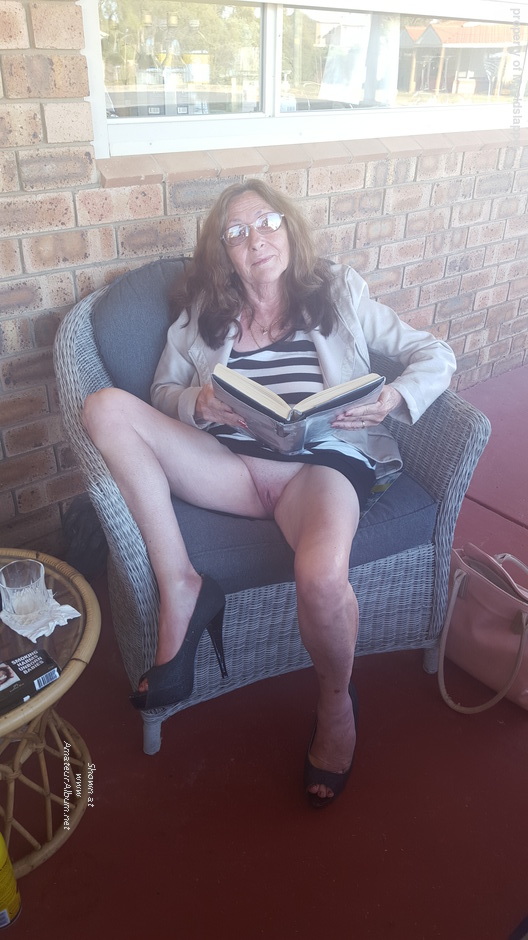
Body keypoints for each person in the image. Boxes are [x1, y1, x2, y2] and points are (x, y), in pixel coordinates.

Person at [82, 179, 456, 808]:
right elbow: (160, 394)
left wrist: (394, 396)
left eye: (267, 222)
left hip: (322, 466)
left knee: (322, 578)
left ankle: (336, 707)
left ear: (288, 228)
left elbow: (434, 353)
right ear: (223, 251)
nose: (256, 239)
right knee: (104, 408)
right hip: (230, 464)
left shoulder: (338, 291)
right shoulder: (203, 314)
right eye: (237, 231)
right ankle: (182, 585)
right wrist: (198, 403)